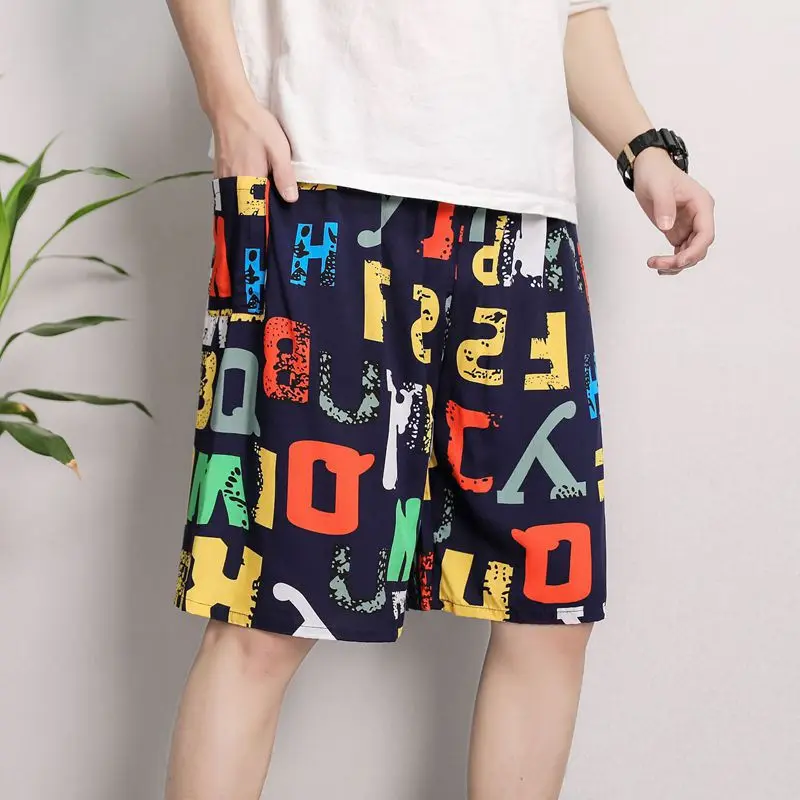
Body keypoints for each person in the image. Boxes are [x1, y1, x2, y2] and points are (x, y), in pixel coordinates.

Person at [164, 1, 716, 798]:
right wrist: (227, 101)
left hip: (525, 219)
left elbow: (573, 10)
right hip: (322, 180)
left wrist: (644, 149)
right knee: (263, 612)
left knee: (548, 610)